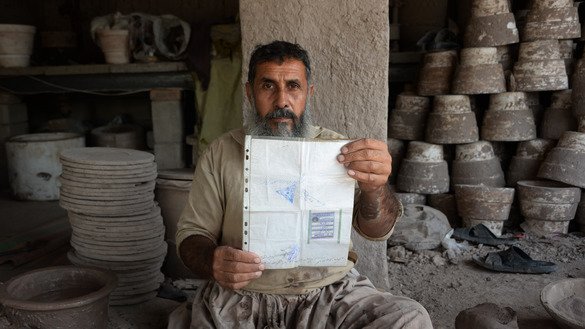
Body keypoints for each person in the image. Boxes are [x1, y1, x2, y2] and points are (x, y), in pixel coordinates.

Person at [170, 40, 433, 329]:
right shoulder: (221, 152)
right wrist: (213, 260)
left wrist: (376, 188)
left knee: (410, 319)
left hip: (330, 293)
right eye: (268, 86)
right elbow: (191, 236)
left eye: (293, 86)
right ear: (249, 92)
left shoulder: (340, 151)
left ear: (309, 92)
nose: (282, 101)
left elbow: (377, 230)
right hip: (243, 296)